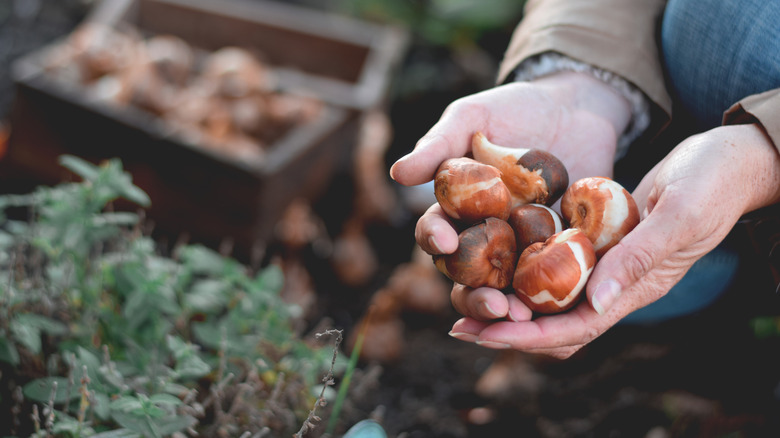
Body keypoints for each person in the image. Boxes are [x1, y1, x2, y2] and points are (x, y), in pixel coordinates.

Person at [389, 0, 780, 359]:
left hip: (698, 171)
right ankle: (724, 266)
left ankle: (740, 278)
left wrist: (762, 160)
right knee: (647, 280)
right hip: (662, 166)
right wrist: (582, 82)